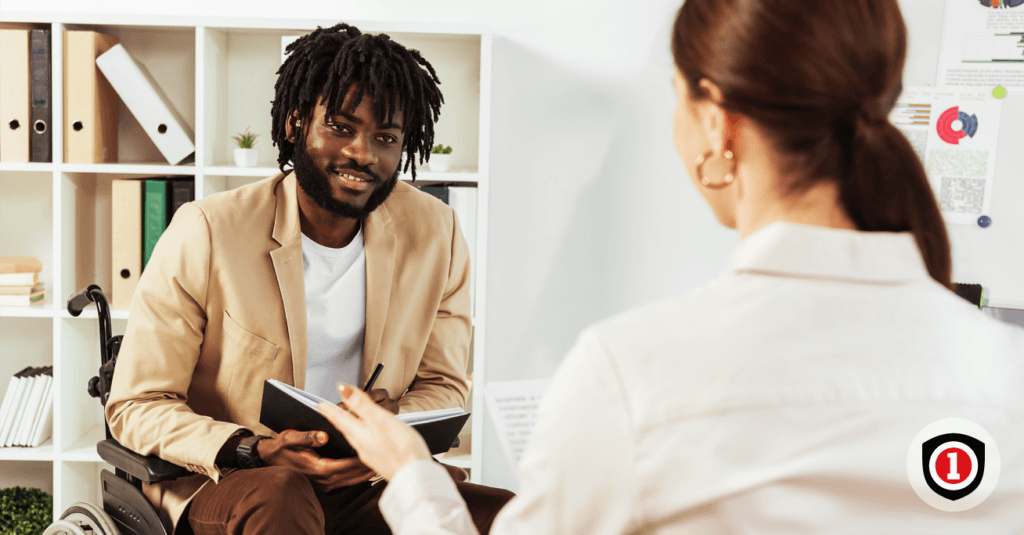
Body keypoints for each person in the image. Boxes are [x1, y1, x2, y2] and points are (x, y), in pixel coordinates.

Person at [318, 0, 1024, 533]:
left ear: (718, 123)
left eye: (677, 94)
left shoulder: (633, 373)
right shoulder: (1009, 371)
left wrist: (411, 475)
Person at [105, 23, 513, 535]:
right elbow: (136, 405)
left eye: (384, 137)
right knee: (283, 496)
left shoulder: (437, 231)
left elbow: (443, 386)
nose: (363, 154)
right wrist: (254, 448)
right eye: (341, 128)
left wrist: (385, 432)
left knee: (506, 516)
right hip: (233, 480)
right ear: (297, 123)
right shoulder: (209, 230)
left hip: (364, 482)